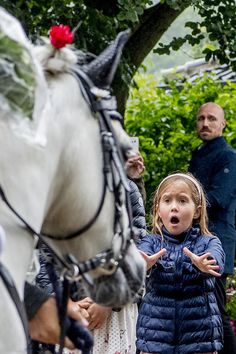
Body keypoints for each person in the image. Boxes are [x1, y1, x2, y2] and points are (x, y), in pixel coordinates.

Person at [136, 172, 225, 354]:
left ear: (197, 211)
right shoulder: (151, 242)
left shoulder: (208, 241)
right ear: (158, 210)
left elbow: (216, 260)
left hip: (200, 339)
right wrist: (140, 265)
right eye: (167, 201)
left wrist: (206, 264)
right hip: (155, 338)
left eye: (183, 201)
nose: (174, 207)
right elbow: (138, 258)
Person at [78, 154, 147, 354]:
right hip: (71, 310)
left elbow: (139, 251)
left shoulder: (128, 190)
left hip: (116, 315)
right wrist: (63, 303)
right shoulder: (63, 189)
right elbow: (48, 254)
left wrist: (109, 302)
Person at [189, 102, 236, 354]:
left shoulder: (228, 156)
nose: (205, 123)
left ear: (222, 124)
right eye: (201, 118)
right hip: (197, 241)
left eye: (211, 119)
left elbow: (220, 198)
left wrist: (184, 204)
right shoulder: (199, 153)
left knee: (216, 309)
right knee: (202, 311)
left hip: (217, 243)